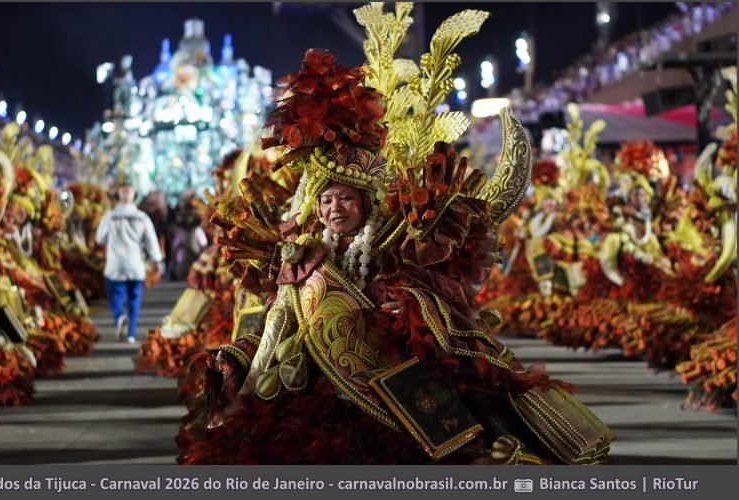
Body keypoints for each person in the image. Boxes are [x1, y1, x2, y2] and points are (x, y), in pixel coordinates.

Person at [177, 43, 614, 465]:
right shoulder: (304, 252)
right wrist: (243, 363)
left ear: (367, 200)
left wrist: (402, 308)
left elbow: (437, 299)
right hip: (315, 386)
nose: (333, 209)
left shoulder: (396, 242)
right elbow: (280, 321)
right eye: (325, 201)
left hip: (393, 385)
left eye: (344, 198)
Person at [96, 183, 163, 343]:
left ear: (118, 196)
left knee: (116, 296)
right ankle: (131, 333)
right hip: (135, 265)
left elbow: (100, 238)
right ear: (134, 197)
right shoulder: (142, 217)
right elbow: (151, 242)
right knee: (134, 299)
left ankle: (119, 315)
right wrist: (157, 261)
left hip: (115, 265)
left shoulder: (109, 216)